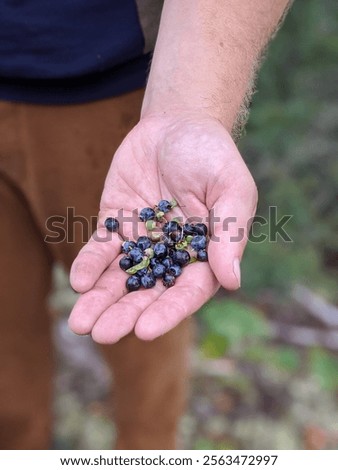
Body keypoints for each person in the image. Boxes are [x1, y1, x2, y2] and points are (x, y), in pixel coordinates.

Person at [0, 0, 291, 450]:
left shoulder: (153, 213)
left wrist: (191, 106)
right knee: (9, 365)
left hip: (113, 93)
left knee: (143, 361)